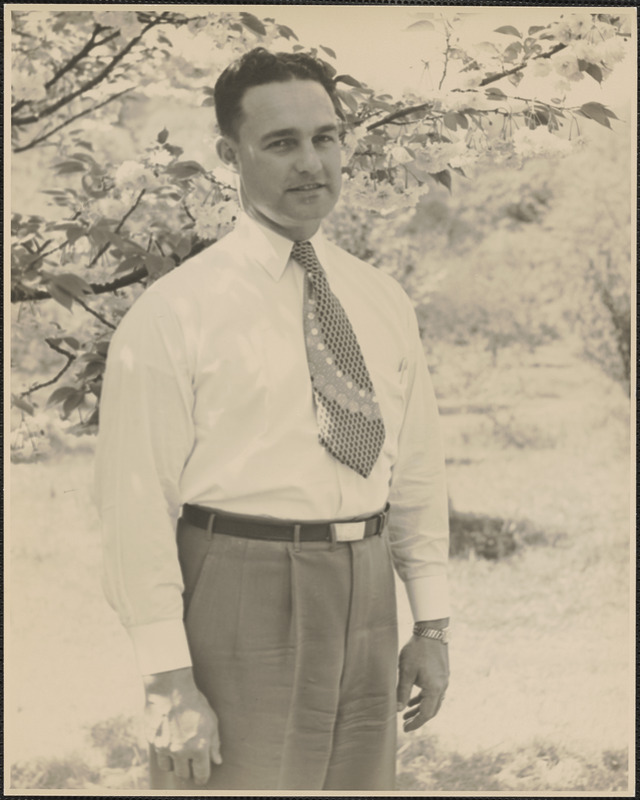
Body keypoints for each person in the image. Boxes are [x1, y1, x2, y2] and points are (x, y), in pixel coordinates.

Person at [95, 46, 450, 792]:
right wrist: (167, 680)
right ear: (231, 155)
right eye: (281, 143)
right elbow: (134, 508)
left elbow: (415, 469)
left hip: (369, 588)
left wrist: (432, 623)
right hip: (240, 589)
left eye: (325, 137)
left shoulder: (379, 297)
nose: (310, 163)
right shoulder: (174, 314)